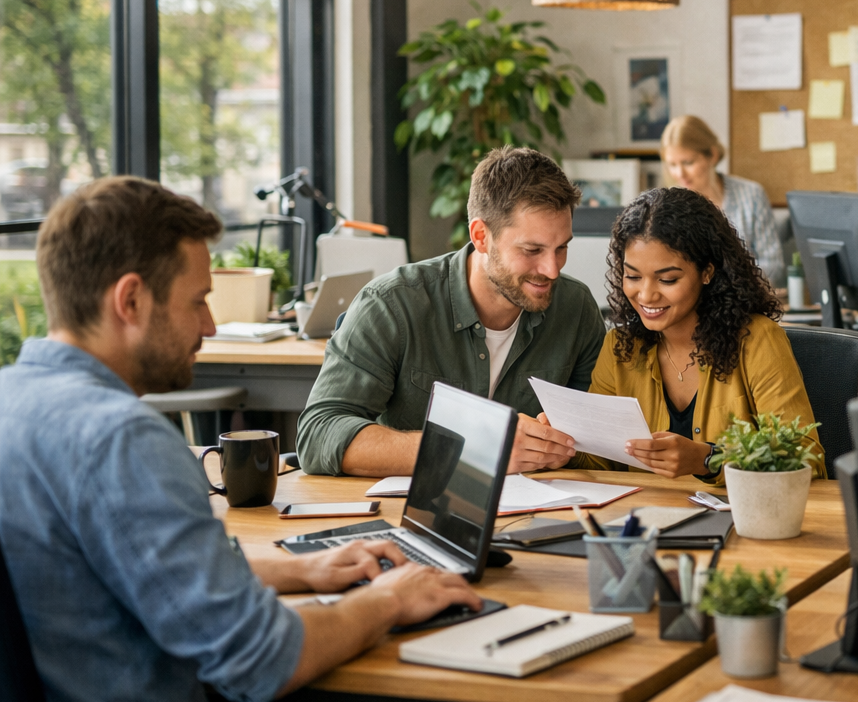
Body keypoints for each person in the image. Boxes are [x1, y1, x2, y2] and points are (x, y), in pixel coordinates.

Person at [0, 176, 481, 702]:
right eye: (197, 301)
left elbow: (138, 571)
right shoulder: (122, 440)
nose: (207, 326)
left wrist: (301, 571)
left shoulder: (12, 404)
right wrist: (388, 598)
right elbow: (265, 661)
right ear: (130, 301)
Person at [297, 146, 605, 478]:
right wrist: (473, 447)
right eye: (532, 250)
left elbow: (597, 434)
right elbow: (318, 434)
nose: (552, 269)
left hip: (539, 514)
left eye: (562, 248)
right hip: (410, 515)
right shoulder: (391, 304)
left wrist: (562, 443)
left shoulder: (577, 309)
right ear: (481, 236)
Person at [574, 186, 820, 478]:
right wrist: (560, 447)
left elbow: (804, 460)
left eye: (667, 279)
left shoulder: (757, 341)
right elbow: (599, 461)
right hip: (647, 518)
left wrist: (709, 460)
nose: (646, 295)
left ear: (707, 272)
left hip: (736, 521)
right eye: (633, 276)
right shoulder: (620, 347)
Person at [660, 115, 785, 286]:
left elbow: (773, 265)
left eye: (688, 162)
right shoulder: (667, 207)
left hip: (744, 301)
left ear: (712, 155)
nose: (680, 174)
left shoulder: (751, 195)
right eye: (672, 165)